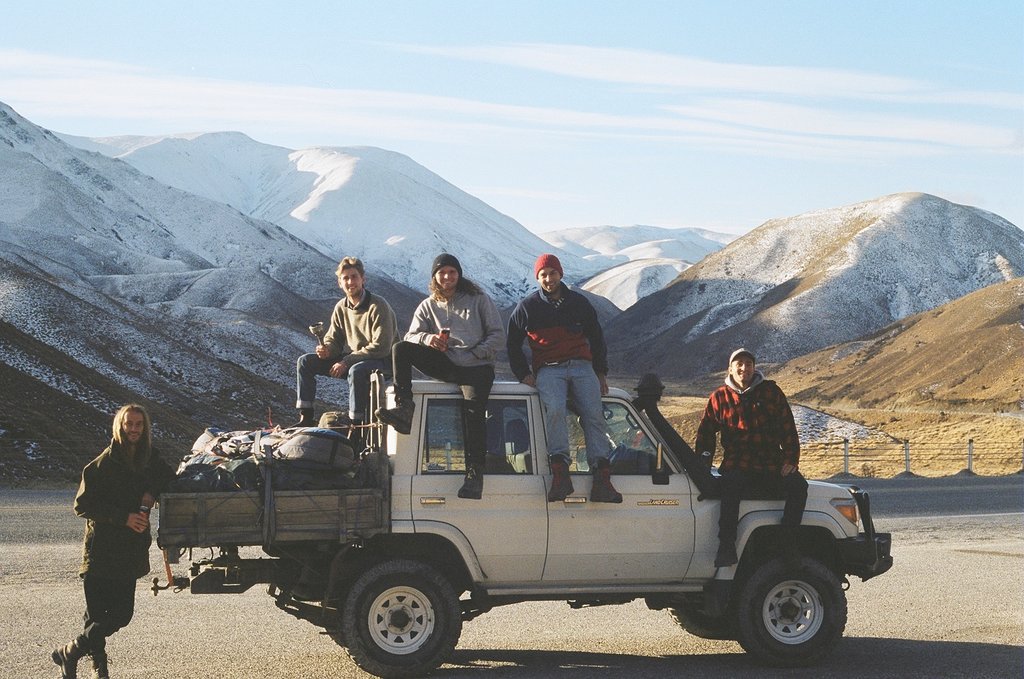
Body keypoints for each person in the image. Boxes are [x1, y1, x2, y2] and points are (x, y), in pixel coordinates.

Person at [53, 404, 175, 679]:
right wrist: (124, 518)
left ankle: (69, 652)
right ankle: (98, 667)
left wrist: (150, 494)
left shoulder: (149, 458)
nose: (133, 429)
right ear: (119, 426)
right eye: (128, 424)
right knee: (97, 614)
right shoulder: (104, 464)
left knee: (121, 615)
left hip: (130, 550)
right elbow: (82, 505)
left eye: (138, 425)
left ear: (144, 429)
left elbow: (169, 478)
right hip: (102, 550)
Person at [376, 253, 504, 499]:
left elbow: (498, 336)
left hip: (477, 367)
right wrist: (429, 339)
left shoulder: (479, 299)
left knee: (473, 412)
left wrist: (477, 352)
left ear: (459, 274)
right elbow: (411, 335)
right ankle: (404, 408)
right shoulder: (428, 305)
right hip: (447, 363)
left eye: (452, 272)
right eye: (442, 272)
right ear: (435, 276)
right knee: (400, 349)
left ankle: (475, 473)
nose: (447, 277)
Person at [506, 253, 621, 503]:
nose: (549, 279)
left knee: (594, 414)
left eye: (553, 273)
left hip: (582, 366)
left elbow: (597, 339)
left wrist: (600, 372)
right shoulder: (527, 307)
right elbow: (512, 343)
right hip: (549, 369)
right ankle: (560, 475)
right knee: (555, 410)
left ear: (561, 274)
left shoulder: (580, 304)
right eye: (543, 275)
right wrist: (523, 374)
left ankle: (601, 478)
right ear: (538, 278)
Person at [695, 348, 808, 567]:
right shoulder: (719, 397)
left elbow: (788, 428)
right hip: (738, 462)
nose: (743, 368)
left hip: (770, 462)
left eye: (748, 363)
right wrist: (702, 464)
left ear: (754, 368)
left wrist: (791, 460)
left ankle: (787, 543)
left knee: (798, 487)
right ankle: (727, 547)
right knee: (729, 487)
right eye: (739, 364)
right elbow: (706, 433)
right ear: (730, 368)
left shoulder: (771, 392)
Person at [294, 256, 398, 444]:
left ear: (363, 279)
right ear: (340, 282)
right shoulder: (341, 307)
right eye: (346, 278)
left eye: (354, 277)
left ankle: (355, 426)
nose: (350, 282)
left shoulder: (378, 305)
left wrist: (346, 361)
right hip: (356, 359)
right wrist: (327, 351)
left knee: (356, 370)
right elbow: (334, 339)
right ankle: (306, 416)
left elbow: (381, 347)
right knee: (305, 361)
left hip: (384, 361)